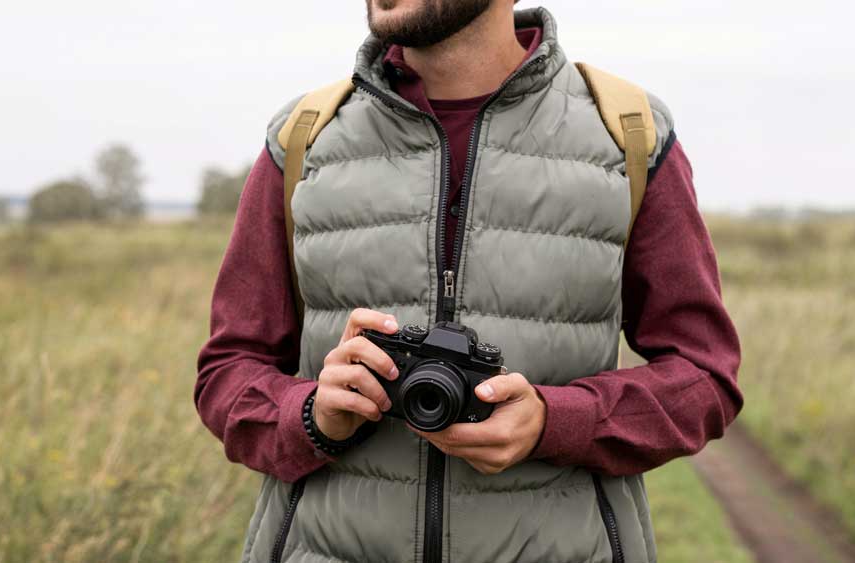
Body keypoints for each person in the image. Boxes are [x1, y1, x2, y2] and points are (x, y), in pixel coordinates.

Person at [195, 2, 742, 562]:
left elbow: (704, 377)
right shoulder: (304, 137)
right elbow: (227, 372)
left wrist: (556, 422)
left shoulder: (627, 133)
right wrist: (310, 414)